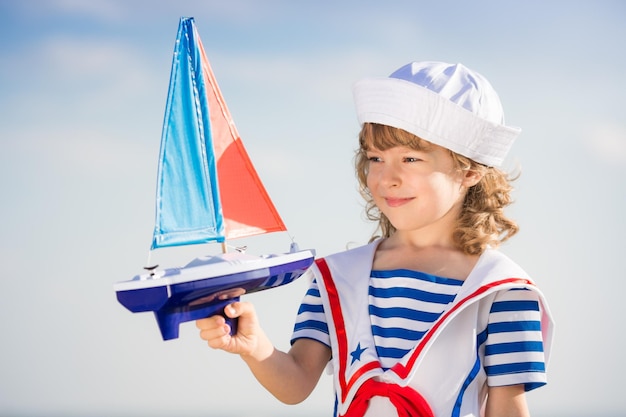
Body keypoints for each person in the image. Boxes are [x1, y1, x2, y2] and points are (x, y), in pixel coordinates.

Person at [196, 61, 554, 417]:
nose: (387, 177)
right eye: (376, 157)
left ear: (471, 172)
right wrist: (254, 346)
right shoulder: (336, 278)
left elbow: (507, 408)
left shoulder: (502, 290)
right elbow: (296, 384)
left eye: (411, 158)